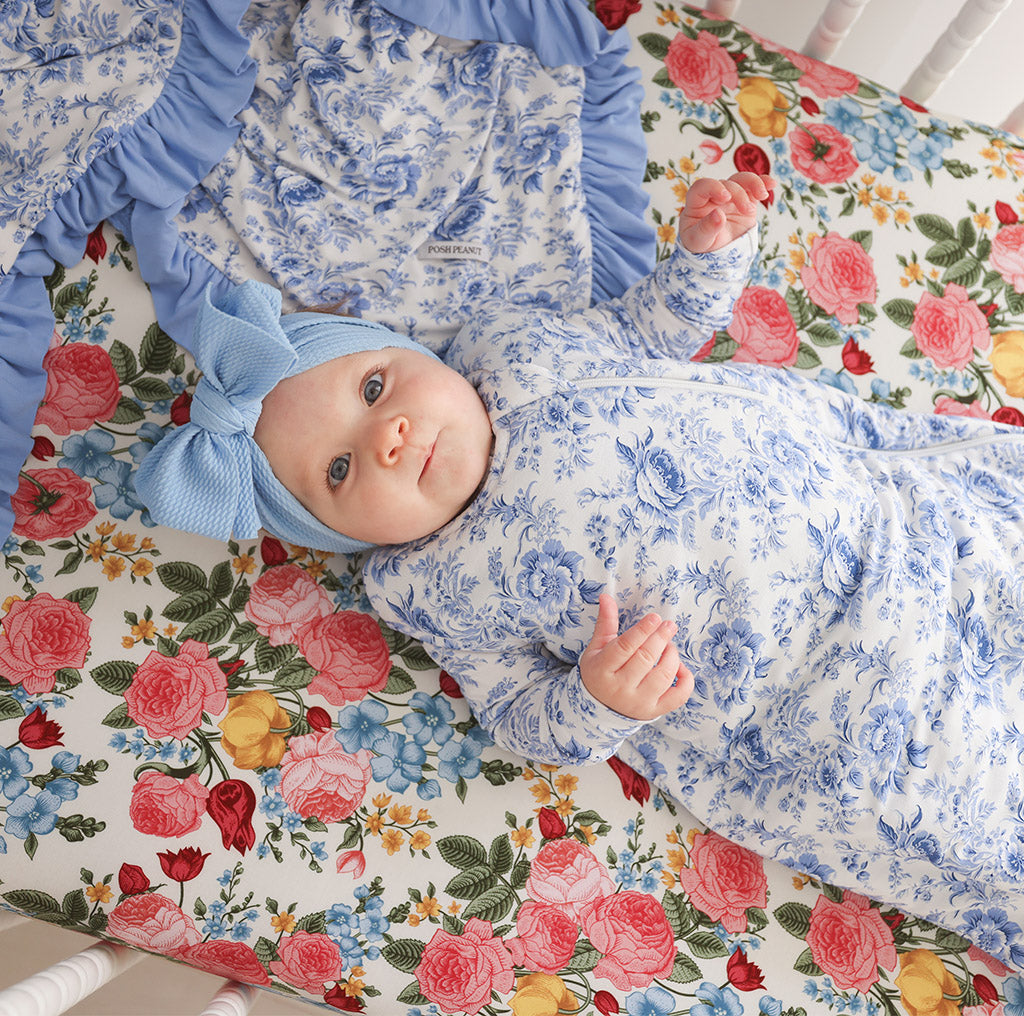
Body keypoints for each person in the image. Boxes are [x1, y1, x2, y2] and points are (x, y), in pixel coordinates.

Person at [136, 170, 1024, 967]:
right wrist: (598, 697)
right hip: (812, 689)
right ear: (341, 536)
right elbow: (520, 712)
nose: (387, 436)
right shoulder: (426, 584)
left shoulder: (513, 344)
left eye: (373, 388)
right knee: (950, 788)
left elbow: (651, 328)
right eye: (339, 472)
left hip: (885, 526)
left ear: (410, 353)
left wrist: (707, 256)